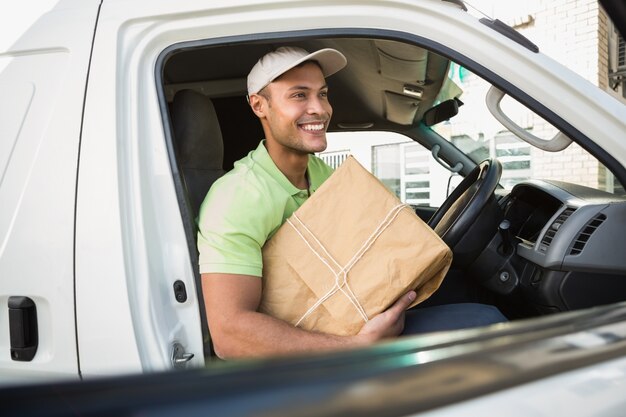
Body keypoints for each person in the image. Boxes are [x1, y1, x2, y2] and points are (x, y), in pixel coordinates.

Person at [197, 46, 505, 359]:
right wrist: (356, 347)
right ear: (259, 105)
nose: (319, 108)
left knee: (468, 293)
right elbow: (229, 335)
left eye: (323, 93)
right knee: (489, 324)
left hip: (350, 318)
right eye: (299, 95)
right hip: (308, 360)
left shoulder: (321, 172)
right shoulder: (237, 198)